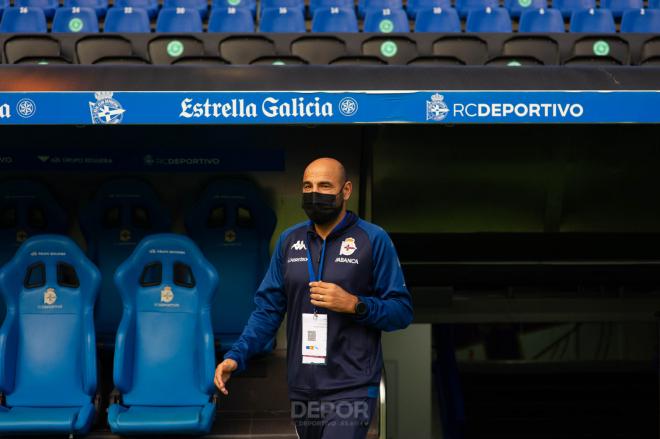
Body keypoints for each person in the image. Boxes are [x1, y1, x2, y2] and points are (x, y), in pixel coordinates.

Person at [214, 157, 413, 439]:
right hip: (304, 386)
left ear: (346, 191)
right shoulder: (288, 240)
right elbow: (267, 311)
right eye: (308, 186)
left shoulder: (373, 239)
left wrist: (355, 304)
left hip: (352, 386)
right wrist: (236, 356)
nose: (314, 193)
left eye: (324, 185)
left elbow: (402, 311)